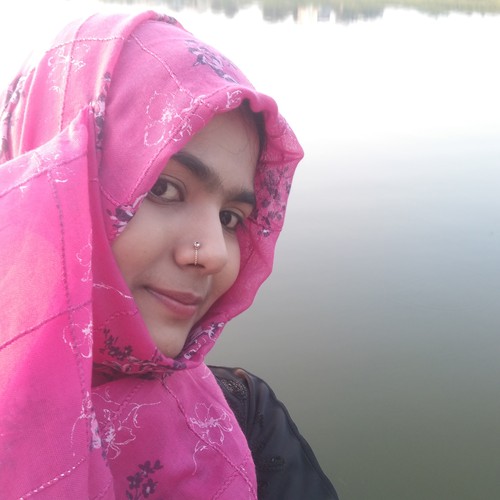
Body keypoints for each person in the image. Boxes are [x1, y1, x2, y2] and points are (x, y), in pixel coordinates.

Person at [0, 11, 338, 499]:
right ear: (51, 179)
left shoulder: (249, 421)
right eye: (163, 188)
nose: (214, 254)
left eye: (230, 218)